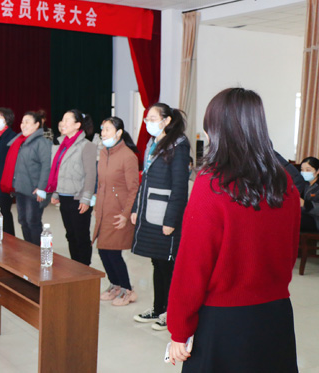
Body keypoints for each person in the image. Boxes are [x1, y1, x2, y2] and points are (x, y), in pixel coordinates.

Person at [167, 88, 300, 372]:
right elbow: (290, 252)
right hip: (275, 315)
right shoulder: (284, 183)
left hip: (223, 322)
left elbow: (193, 264)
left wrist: (179, 328)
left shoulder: (212, 184)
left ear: (217, 131)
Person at [131, 103, 190, 331]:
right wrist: (136, 208)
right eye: (147, 119)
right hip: (150, 212)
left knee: (169, 265)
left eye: (153, 118)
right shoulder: (153, 144)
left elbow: (179, 186)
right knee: (157, 262)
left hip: (165, 215)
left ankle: (171, 313)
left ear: (166, 120)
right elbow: (144, 180)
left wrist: (170, 220)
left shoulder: (178, 145)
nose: (148, 123)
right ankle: (158, 308)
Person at [93, 116, 140, 306]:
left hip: (118, 212)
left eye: (108, 129)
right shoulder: (104, 153)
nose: (103, 133)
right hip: (103, 210)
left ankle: (128, 290)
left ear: (119, 133)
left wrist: (126, 214)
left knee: (113, 252)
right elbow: (101, 184)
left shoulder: (128, 156)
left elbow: (133, 189)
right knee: (103, 250)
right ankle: (115, 285)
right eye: (102, 129)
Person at [47, 110, 97, 266]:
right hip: (64, 196)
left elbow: (91, 174)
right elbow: (58, 171)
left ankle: (85, 269)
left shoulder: (87, 146)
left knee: (81, 236)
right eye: (62, 119)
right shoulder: (61, 144)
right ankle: (75, 266)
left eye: (67, 120)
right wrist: (56, 193)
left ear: (77, 125)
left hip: (78, 197)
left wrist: (86, 198)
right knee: (70, 235)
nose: (63, 123)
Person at [1, 111, 51, 245]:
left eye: (27, 122)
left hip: (34, 190)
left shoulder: (43, 141)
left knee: (33, 221)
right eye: (22, 122)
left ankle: (38, 251)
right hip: (20, 188)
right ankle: (29, 249)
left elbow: (47, 166)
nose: (23, 125)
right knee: (23, 221)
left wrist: (42, 188)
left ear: (37, 124)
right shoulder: (20, 141)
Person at [0, 107, 18, 236]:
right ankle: (0, 236)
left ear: (7, 119)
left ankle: (9, 238)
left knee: (5, 211)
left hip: (6, 181)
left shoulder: (12, 137)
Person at [300, 156, 319, 233]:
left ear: (317, 171)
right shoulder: (304, 184)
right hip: (304, 215)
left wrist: (305, 204)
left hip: (316, 220)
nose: (304, 172)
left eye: (308, 170)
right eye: (302, 170)